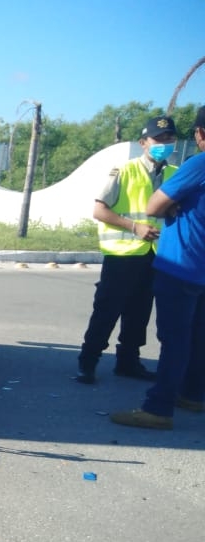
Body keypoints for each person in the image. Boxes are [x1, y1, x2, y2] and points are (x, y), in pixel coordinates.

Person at [111, 105, 205, 430]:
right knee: (197, 336)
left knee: (175, 338)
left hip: (181, 264)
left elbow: (153, 206)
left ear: (199, 134)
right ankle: (193, 394)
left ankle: (159, 408)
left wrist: (172, 205)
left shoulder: (198, 163)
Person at [75, 115, 179, 384]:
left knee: (140, 312)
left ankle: (128, 362)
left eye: (169, 139)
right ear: (144, 142)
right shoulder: (125, 170)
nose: (164, 144)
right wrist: (135, 227)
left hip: (156, 255)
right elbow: (99, 210)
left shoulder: (174, 174)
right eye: (158, 139)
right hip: (122, 254)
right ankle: (88, 362)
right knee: (107, 310)